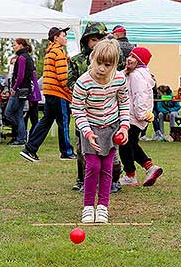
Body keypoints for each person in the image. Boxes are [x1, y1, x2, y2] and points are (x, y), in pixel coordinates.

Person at [72, 38, 130, 223]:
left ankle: (103, 207)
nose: (102, 68)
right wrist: (87, 132)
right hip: (90, 129)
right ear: (92, 57)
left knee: (107, 168)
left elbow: (124, 102)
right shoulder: (83, 82)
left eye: (108, 64)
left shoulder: (119, 79)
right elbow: (77, 109)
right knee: (93, 166)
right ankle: (88, 207)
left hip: (112, 128)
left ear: (114, 64)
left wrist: (124, 127)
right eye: (99, 62)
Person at [20, 26, 75, 162]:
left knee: (46, 121)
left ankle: (30, 149)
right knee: (64, 122)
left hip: (49, 92)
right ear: (56, 38)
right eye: (64, 35)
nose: (66, 38)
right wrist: (71, 92)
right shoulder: (59, 52)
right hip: (59, 93)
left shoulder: (50, 52)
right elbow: (63, 78)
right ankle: (67, 152)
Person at [68, 21, 108, 192]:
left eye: (101, 39)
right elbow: (69, 81)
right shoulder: (77, 60)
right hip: (84, 109)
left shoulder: (110, 59)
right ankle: (81, 178)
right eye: (94, 39)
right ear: (86, 41)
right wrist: (85, 90)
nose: (97, 43)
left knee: (108, 145)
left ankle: (110, 179)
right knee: (82, 146)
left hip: (106, 110)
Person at [119, 47, 163, 187]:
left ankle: (130, 175)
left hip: (133, 116)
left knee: (125, 145)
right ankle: (149, 167)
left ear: (140, 62)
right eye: (129, 56)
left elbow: (141, 96)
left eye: (133, 57)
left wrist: (141, 114)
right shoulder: (135, 73)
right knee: (131, 144)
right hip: (135, 116)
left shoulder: (137, 75)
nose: (129, 59)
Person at [5, 39, 34, 146]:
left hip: (19, 90)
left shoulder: (22, 58)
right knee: (19, 114)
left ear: (21, 45)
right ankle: (21, 138)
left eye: (15, 45)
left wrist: (14, 88)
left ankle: (20, 134)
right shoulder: (27, 57)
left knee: (8, 113)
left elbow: (20, 76)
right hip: (25, 90)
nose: (13, 47)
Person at [24, 69, 41, 138]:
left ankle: (30, 135)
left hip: (32, 99)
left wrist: (30, 99)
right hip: (34, 98)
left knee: (29, 118)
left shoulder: (29, 73)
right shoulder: (32, 73)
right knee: (33, 119)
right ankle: (32, 135)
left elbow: (32, 87)